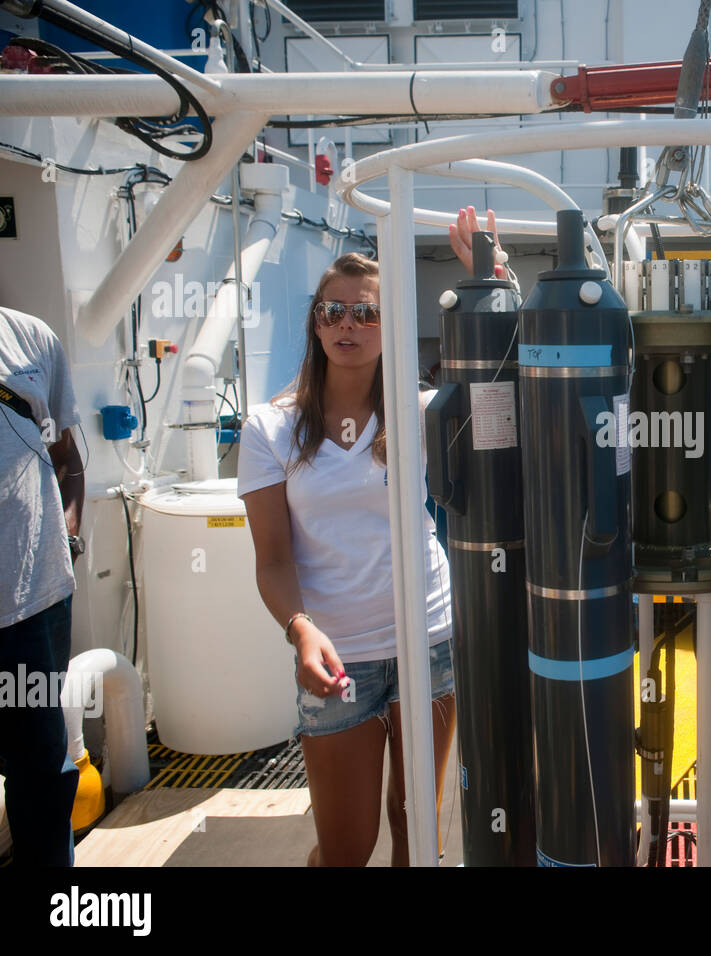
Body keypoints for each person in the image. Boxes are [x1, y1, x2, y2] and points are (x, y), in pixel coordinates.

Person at [238, 253, 456, 866]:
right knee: (345, 849)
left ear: (389, 328)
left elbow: (500, 385)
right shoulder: (269, 429)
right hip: (337, 658)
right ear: (315, 323)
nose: (348, 325)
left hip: (429, 640)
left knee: (418, 827)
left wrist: (486, 281)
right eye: (334, 311)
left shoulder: (418, 413)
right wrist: (300, 630)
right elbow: (273, 560)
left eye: (367, 313)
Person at [0, 305, 84, 867]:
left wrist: (69, 531)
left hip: (32, 602)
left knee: (39, 773)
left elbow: (67, 459)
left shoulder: (30, 338)